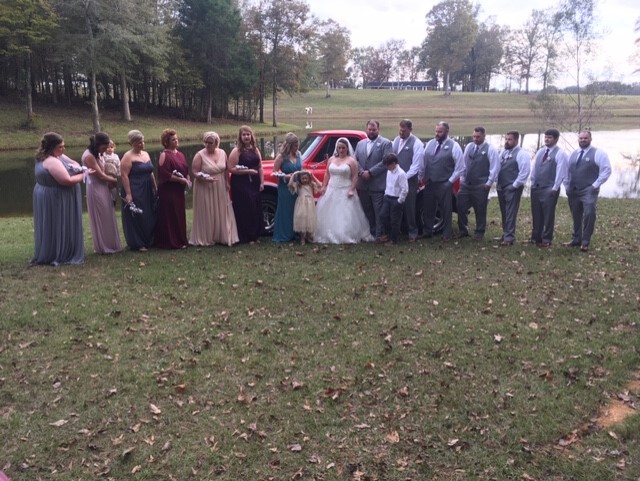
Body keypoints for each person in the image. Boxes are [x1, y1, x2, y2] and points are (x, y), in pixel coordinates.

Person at [32, 132, 88, 266]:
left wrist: (75, 167)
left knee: (52, 223)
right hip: (56, 197)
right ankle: (59, 252)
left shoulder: (50, 156)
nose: (63, 149)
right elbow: (66, 180)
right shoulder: (51, 161)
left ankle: (54, 249)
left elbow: (73, 162)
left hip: (48, 194)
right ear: (51, 147)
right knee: (57, 223)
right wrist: (84, 174)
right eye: (61, 147)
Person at [315, 137, 374, 244]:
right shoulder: (331, 159)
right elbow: (327, 174)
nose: (341, 150)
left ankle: (345, 233)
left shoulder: (351, 161)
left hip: (345, 189)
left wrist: (352, 189)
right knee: (330, 211)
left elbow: (355, 177)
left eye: (343, 148)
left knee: (345, 213)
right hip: (332, 188)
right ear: (336, 149)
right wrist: (324, 186)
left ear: (347, 148)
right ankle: (329, 232)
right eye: (339, 148)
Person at [563, 130, 612, 252]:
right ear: (578, 139)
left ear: (590, 139)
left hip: (589, 190)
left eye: (585, 138)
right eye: (581, 138)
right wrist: (567, 186)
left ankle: (585, 241)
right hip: (573, 190)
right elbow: (567, 171)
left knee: (589, 214)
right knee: (576, 215)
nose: (583, 140)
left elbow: (606, 170)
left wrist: (595, 185)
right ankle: (576, 239)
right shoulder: (573, 154)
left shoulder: (598, 153)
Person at [190, 131, 239, 246]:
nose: (207, 145)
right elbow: (194, 171)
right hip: (204, 185)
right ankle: (207, 236)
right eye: (206, 142)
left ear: (216, 143)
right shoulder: (199, 155)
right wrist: (204, 178)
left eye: (210, 143)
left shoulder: (222, 153)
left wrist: (227, 181)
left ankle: (221, 235)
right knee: (207, 209)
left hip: (220, 184)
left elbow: (226, 169)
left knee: (222, 209)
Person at [422, 121, 464, 241]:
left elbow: (460, 167)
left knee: (446, 210)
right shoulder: (430, 143)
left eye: (440, 132)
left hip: (444, 183)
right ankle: (427, 231)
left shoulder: (454, 146)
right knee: (428, 208)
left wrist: (450, 182)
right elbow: (424, 162)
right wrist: (423, 177)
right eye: (436, 131)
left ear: (447, 132)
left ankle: (446, 234)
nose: (437, 134)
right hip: (429, 182)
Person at [457, 126, 500, 241]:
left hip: (481, 184)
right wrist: (462, 179)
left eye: (478, 137)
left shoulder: (490, 149)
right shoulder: (469, 147)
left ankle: (479, 232)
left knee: (480, 209)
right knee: (460, 206)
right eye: (474, 136)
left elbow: (494, 167)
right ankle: (463, 230)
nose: (475, 139)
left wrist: (489, 182)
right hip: (466, 184)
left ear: (484, 136)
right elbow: (464, 164)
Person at [82, 132, 122, 254]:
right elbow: (101, 176)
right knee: (101, 215)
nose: (105, 151)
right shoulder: (89, 156)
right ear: (97, 145)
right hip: (95, 188)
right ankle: (104, 246)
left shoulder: (99, 153)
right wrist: (117, 180)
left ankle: (112, 244)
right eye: (104, 148)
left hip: (104, 187)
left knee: (108, 215)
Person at [530, 128, 568, 247]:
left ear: (556, 139)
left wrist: (555, 187)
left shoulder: (560, 153)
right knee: (536, 213)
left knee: (548, 214)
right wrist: (532, 182)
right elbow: (535, 168)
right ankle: (536, 237)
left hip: (550, 188)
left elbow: (561, 171)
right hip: (537, 187)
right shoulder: (541, 151)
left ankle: (546, 239)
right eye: (545, 137)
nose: (546, 139)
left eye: (549, 137)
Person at [355, 120, 393, 241]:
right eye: (369, 129)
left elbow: (386, 161)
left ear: (378, 130)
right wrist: (361, 172)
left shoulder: (386, 143)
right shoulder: (360, 144)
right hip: (363, 185)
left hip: (378, 184)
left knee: (379, 212)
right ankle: (371, 232)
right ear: (367, 129)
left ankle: (380, 234)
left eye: (374, 129)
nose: (371, 132)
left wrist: (370, 172)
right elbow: (354, 160)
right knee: (367, 210)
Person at [120, 130, 157, 252]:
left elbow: (150, 171)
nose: (142, 144)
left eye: (143, 141)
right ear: (133, 143)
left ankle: (150, 239)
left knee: (149, 213)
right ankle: (138, 242)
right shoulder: (128, 156)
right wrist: (129, 194)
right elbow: (124, 175)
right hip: (135, 187)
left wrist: (155, 186)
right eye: (139, 143)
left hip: (147, 188)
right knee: (138, 214)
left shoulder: (146, 154)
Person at [155, 128, 191, 249]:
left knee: (179, 213)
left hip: (179, 190)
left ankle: (181, 239)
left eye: (176, 138)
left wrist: (188, 178)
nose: (176, 141)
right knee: (170, 214)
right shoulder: (164, 155)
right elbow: (164, 174)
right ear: (166, 142)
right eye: (173, 139)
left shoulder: (180, 154)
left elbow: (186, 169)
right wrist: (181, 180)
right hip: (168, 190)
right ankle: (170, 241)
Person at [229, 125, 264, 244]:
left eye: (248, 134)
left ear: (251, 136)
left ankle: (255, 235)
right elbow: (231, 168)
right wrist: (247, 171)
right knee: (245, 208)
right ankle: (245, 236)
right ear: (240, 137)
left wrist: (262, 182)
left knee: (255, 207)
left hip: (254, 182)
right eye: (244, 135)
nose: (246, 137)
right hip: (241, 183)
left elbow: (260, 167)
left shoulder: (255, 149)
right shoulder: (237, 150)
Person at [391, 119, 425, 242]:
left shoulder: (417, 143)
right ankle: (398, 230)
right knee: (396, 205)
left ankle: (413, 232)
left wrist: (403, 177)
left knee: (410, 207)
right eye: (400, 130)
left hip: (409, 180)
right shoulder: (395, 140)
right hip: (395, 180)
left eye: (404, 131)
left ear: (410, 130)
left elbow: (416, 165)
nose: (401, 132)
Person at [496, 131, 531, 246]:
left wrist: (514, 185)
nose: (507, 141)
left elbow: (524, 172)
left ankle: (509, 237)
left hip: (512, 187)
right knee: (504, 212)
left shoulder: (521, 154)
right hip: (501, 186)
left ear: (516, 140)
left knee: (511, 212)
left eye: (509, 139)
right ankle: (505, 233)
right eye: (506, 139)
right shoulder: (504, 152)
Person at [271, 132, 302, 243]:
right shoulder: (281, 157)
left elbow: (300, 168)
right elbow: (274, 172)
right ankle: (284, 234)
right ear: (289, 146)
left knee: (296, 209)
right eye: (295, 146)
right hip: (285, 187)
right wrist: (285, 176)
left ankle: (296, 233)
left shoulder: (299, 154)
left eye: (297, 145)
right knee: (286, 210)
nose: (297, 148)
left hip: (297, 186)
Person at [380, 153, 409, 245]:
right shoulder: (389, 172)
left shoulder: (401, 174)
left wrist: (400, 201)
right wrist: (385, 194)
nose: (386, 167)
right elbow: (388, 184)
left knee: (395, 220)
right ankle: (388, 234)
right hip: (388, 197)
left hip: (396, 199)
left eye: (387, 165)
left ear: (393, 163)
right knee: (383, 216)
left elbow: (405, 189)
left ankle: (394, 239)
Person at [289, 170, 322, 245]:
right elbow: (290, 184)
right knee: (302, 219)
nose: (304, 180)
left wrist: (313, 176)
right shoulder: (298, 185)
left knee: (309, 219)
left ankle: (308, 236)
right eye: (302, 178)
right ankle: (302, 238)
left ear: (309, 178)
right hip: (301, 204)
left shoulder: (311, 185)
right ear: (300, 179)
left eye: (306, 178)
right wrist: (294, 175)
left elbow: (320, 185)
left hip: (310, 203)